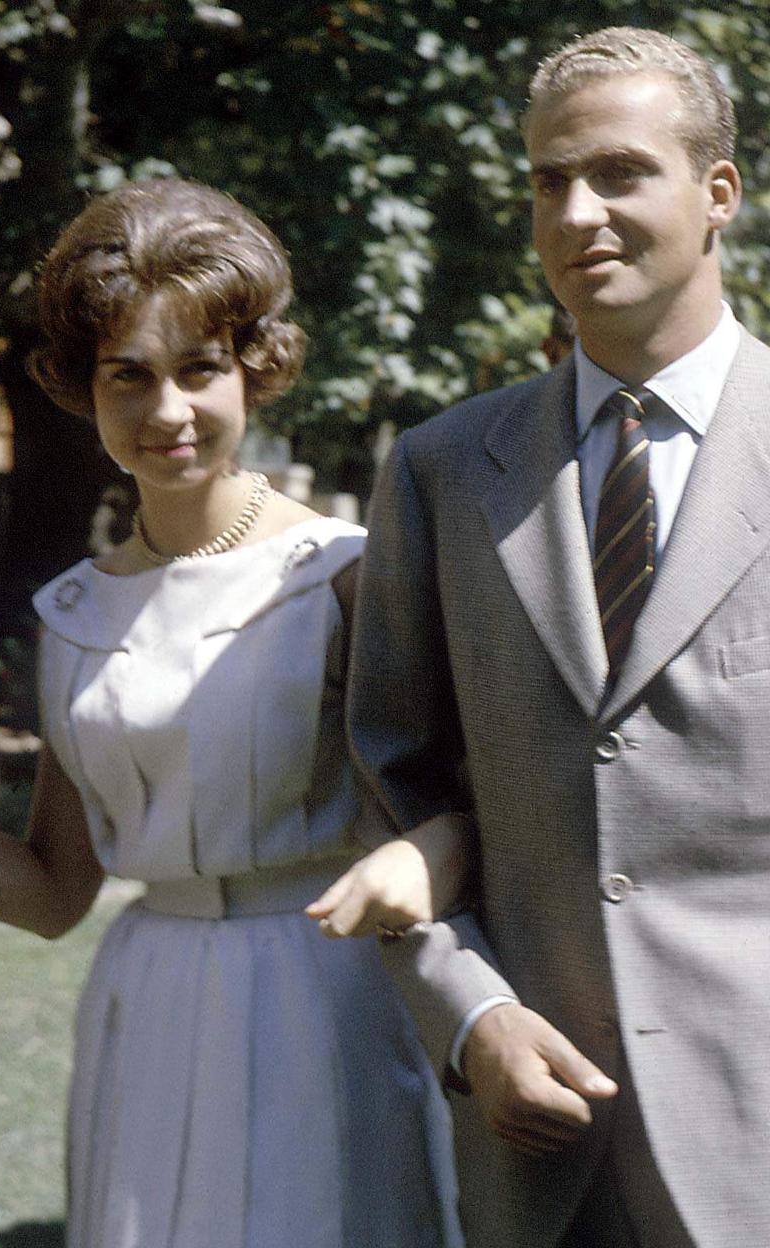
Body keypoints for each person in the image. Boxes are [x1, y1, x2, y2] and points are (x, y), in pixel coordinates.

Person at [0, 178, 466, 1247]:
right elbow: (57, 893)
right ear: (84, 390)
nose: (167, 412)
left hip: (325, 989)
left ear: (253, 369)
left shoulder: (347, 576)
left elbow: (460, 811)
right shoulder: (74, 615)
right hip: (146, 996)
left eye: (199, 370)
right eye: (129, 377)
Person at [344, 26, 765, 1248]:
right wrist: (469, 1016)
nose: (577, 212)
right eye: (547, 181)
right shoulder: (438, 471)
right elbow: (393, 784)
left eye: (620, 173)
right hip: (542, 1145)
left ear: (719, 193)